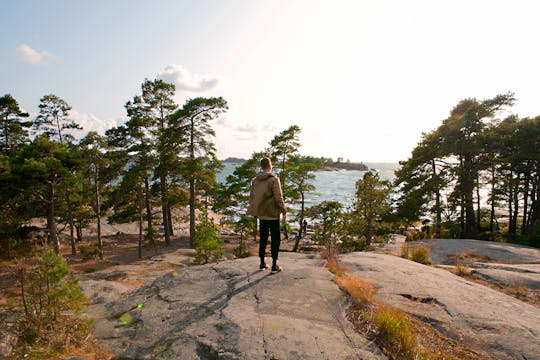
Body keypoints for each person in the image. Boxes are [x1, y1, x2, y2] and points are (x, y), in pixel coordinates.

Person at [247, 157, 287, 273]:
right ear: (270, 165)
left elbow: (252, 198)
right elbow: (278, 197)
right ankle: (274, 265)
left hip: (261, 214)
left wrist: (254, 211)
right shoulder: (274, 179)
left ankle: (262, 263)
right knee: (275, 239)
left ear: (261, 166)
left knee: (263, 239)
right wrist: (283, 209)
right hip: (272, 214)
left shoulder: (255, 181)